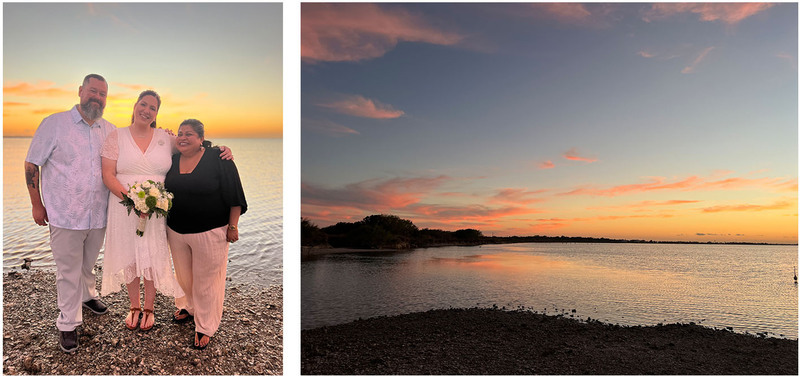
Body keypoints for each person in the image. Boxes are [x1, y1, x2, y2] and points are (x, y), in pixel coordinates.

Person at [100, 91, 234, 332]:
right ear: (135, 106)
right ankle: (134, 306)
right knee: (130, 253)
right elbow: (108, 175)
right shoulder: (116, 136)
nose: (147, 110)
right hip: (123, 206)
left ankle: (149, 307)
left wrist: (220, 149)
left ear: (156, 113)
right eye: (144, 104)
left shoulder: (166, 138)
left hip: (156, 208)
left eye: (153, 108)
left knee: (152, 253)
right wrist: (131, 202)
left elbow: (193, 147)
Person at [25, 74, 114, 353]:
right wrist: (36, 204)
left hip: (98, 215)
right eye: (92, 91)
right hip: (64, 215)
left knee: (88, 264)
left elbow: (135, 152)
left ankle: (88, 296)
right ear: (80, 91)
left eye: (102, 94)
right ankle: (67, 324)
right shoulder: (54, 124)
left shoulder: (109, 130)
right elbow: (32, 164)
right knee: (67, 271)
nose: (97, 98)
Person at [165, 119, 247, 350]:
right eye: (180, 133)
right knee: (183, 276)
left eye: (189, 134)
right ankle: (187, 307)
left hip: (210, 231)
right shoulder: (171, 160)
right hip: (176, 230)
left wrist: (233, 226)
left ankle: (205, 325)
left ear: (201, 138)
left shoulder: (218, 158)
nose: (183, 137)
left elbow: (235, 194)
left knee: (207, 281)